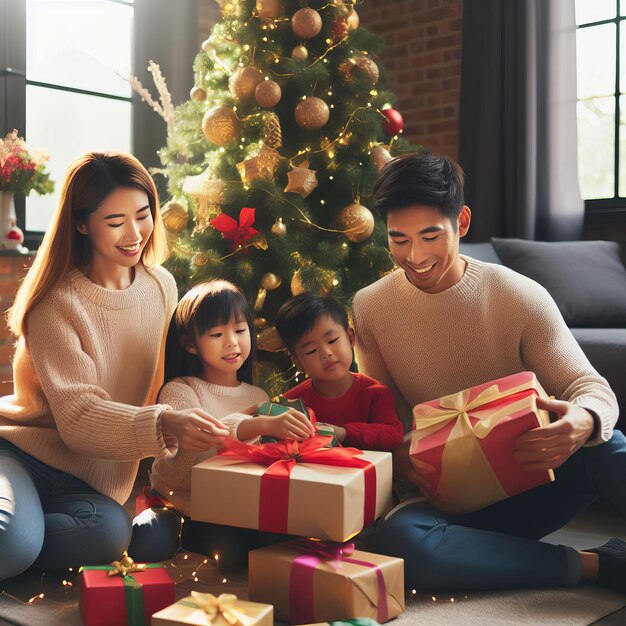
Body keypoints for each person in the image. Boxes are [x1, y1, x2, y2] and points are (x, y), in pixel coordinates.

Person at [351, 152, 626, 593]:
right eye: (398, 240)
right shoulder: (370, 307)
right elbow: (388, 424)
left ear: (461, 222)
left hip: (535, 481)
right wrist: (405, 458)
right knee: (403, 540)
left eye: (429, 236)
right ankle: (598, 566)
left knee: (608, 443)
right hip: (451, 503)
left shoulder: (516, 295)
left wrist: (585, 420)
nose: (415, 256)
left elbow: (589, 386)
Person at [0, 152, 230, 581]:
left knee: (109, 535)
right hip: (21, 455)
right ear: (82, 224)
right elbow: (79, 418)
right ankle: (17, 537)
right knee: (11, 545)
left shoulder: (161, 285)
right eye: (115, 221)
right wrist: (165, 424)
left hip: (91, 484)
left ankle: (22, 535)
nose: (134, 233)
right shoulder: (56, 304)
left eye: (143, 216)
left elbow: (162, 382)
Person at [129, 279, 315, 566]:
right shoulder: (179, 391)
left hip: (229, 508)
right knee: (147, 544)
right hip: (177, 505)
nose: (232, 342)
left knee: (258, 547)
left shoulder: (258, 395)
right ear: (190, 344)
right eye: (217, 334)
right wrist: (256, 425)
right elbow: (185, 470)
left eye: (240, 330)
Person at [275, 293, 404, 452]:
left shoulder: (375, 393)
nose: (326, 353)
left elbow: (393, 434)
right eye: (311, 350)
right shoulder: (292, 403)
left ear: (350, 338)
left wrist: (343, 432)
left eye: (332, 341)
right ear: (299, 363)